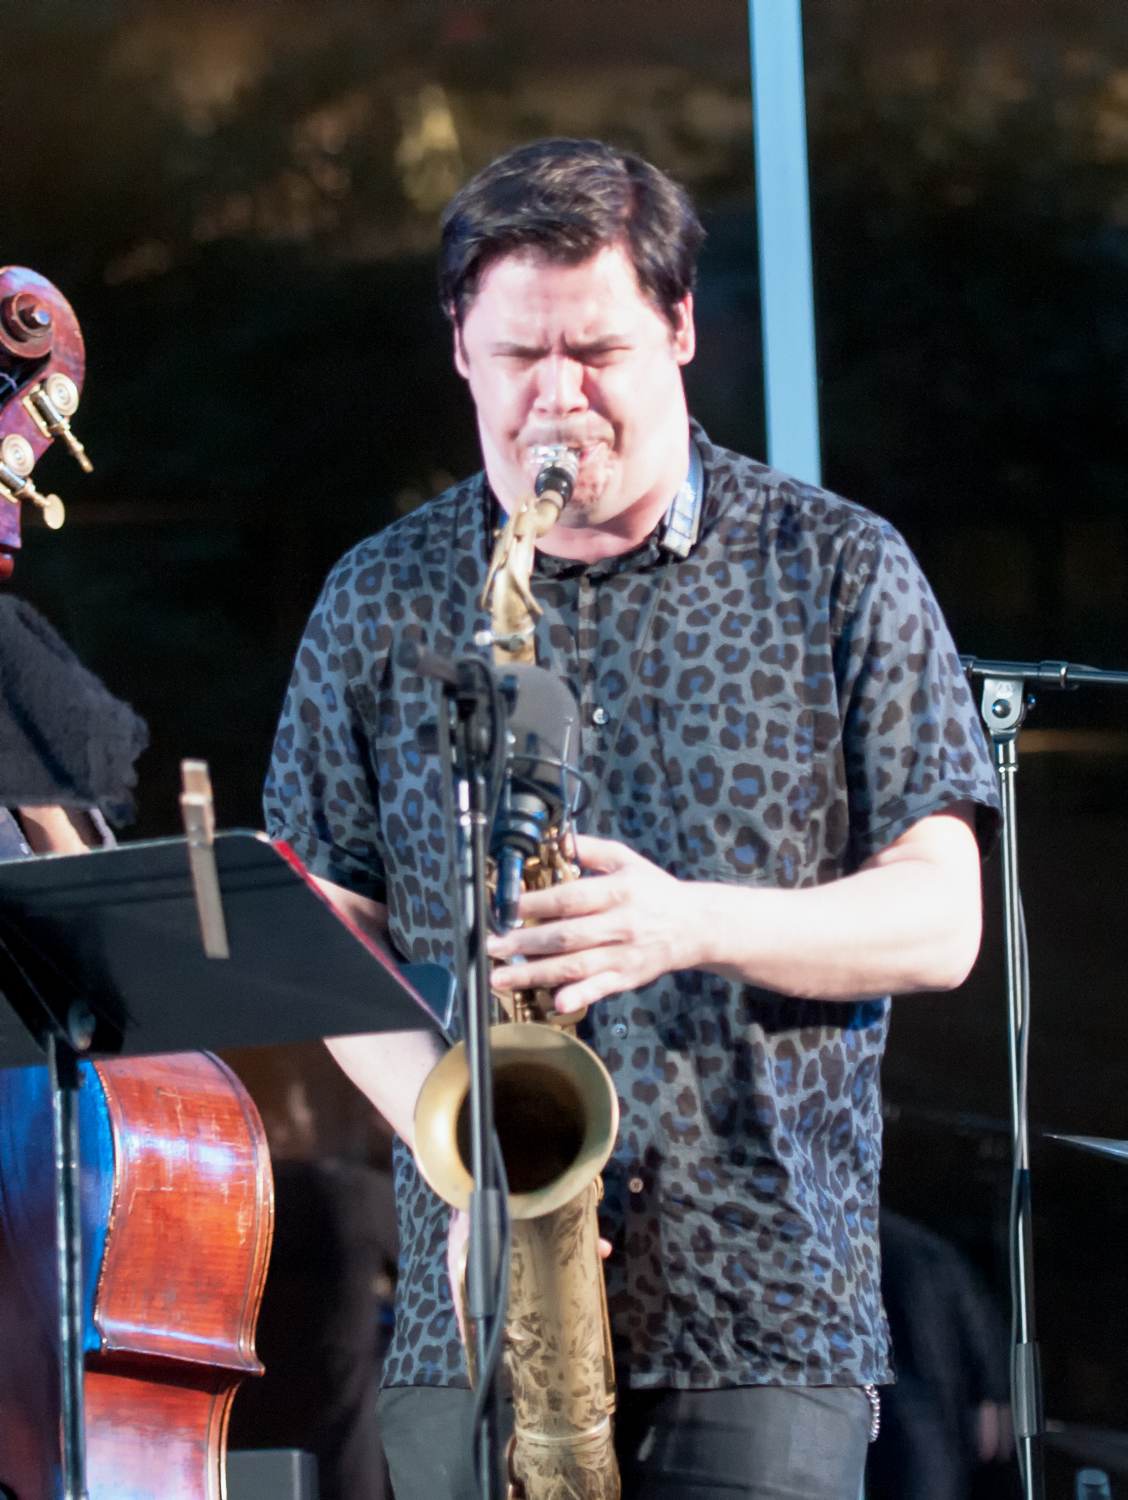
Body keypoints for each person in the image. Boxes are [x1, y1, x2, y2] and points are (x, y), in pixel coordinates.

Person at [264, 137, 1001, 1500]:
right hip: (475, 1309)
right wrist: (472, 1134)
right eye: (516, 357)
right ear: (459, 353)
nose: (555, 400)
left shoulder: (835, 568)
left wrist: (686, 922)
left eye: (594, 350)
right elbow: (323, 923)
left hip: (762, 1308)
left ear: (679, 328)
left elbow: (943, 916)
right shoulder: (381, 597)